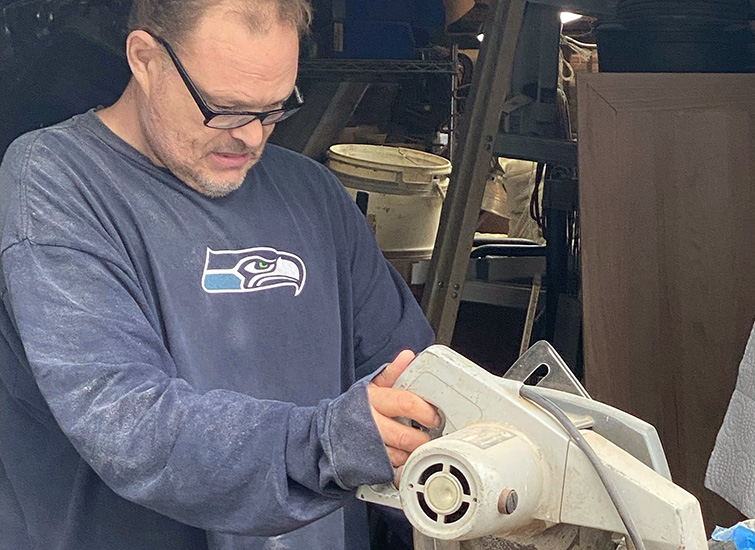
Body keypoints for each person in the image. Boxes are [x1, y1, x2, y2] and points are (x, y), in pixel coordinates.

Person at [0, 0, 443, 548]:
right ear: (145, 59)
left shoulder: (313, 195)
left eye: (275, 109)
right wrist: (326, 444)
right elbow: (128, 423)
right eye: (227, 109)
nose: (253, 138)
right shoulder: (56, 183)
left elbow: (419, 383)